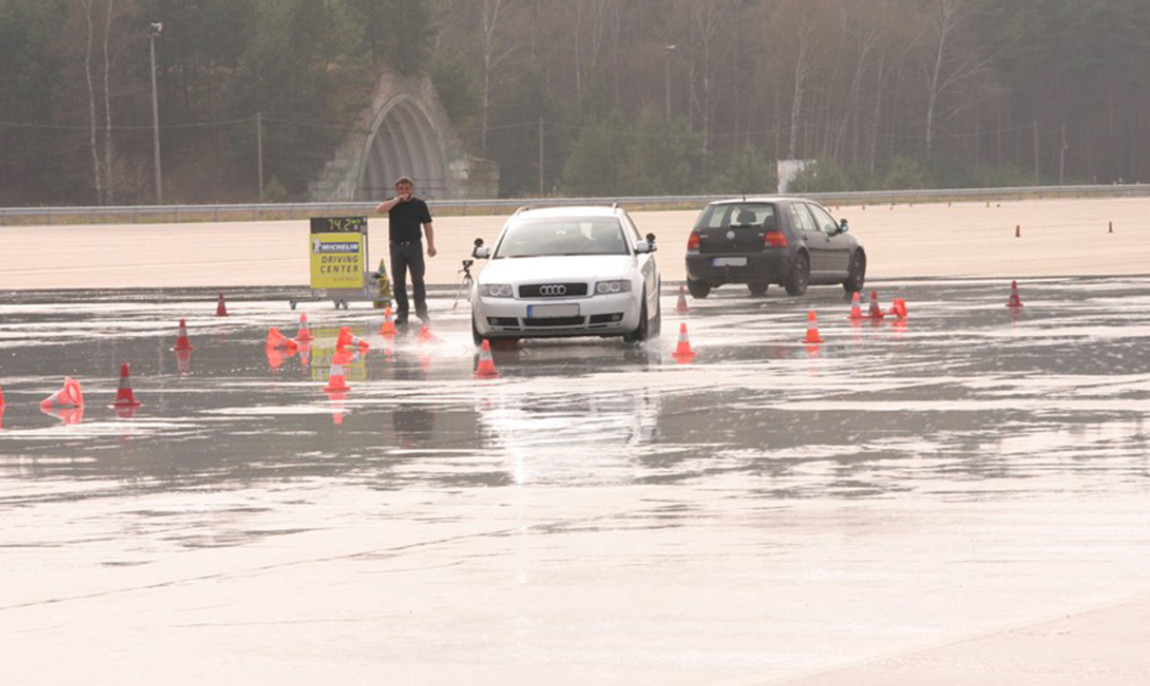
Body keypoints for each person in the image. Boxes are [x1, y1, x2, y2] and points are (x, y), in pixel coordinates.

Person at [375, 176, 436, 324]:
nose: (404, 191)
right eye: (401, 189)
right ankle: (402, 313)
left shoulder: (420, 204)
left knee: (417, 279)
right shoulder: (392, 203)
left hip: (414, 246)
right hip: (396, 246)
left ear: (412, 189)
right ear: (397, 190)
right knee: (398, 282)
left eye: (407, 189)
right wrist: (397, 200)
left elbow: (427, 225)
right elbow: (379, 209)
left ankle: (421, 311)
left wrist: (431, 244)